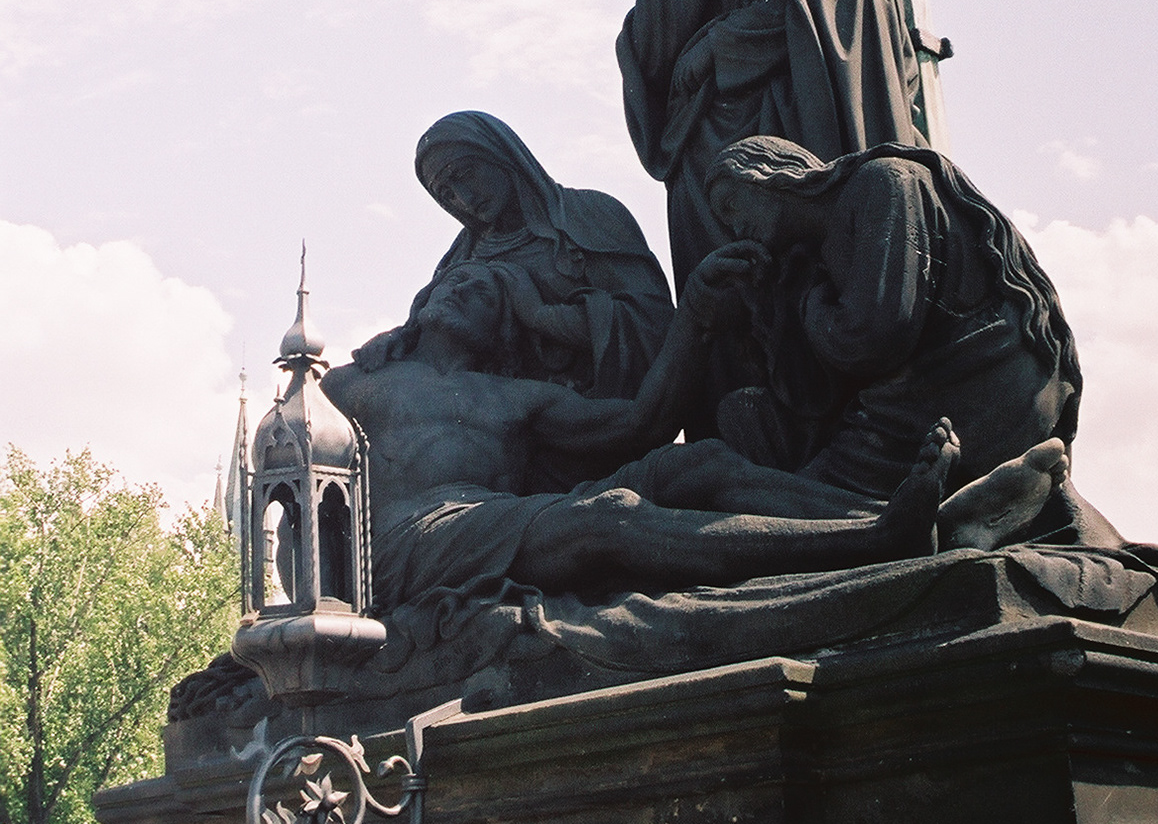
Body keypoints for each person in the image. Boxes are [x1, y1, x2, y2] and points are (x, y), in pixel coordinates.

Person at [322, 259, 1069, 615]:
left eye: (483, 290)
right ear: (418, 307)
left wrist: (696, 316)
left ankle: (911, 521)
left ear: (502, 325)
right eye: (449, 286)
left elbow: (640, 422)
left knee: (696, 462)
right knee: (606, 517)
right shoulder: (357, 383)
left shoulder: (515, 398)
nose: (462, 290)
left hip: (489, 519)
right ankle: (878, 539)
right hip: (406, 545)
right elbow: (287, 466)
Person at [617, 0, 925, 304]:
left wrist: (723, 43)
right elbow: (646, 58)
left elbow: (839, 3)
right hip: (707, 172)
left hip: (802, 125)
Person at [695, 137, 1084, 509]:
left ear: (767, 174)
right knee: (754, 431)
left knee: (797, 499)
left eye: (731, 206)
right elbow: (812, 396)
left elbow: (872, 337)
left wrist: (814, 303)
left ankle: (973, 505)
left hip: (980, 396)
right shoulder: (819, 251)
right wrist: (764, 300)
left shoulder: (885, 182)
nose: (734, 228)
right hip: (934, 398)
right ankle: (976, 510)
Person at [354, 111, 673, 399]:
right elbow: (438, 347)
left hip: (596, 416)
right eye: (447, 193)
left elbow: (653, 323)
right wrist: (400, 341)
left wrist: (540, 316)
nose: (463, 199)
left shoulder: (589, 215)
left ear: (499, 154)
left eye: (465, 173)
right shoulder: (461, 260)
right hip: (504, 430)